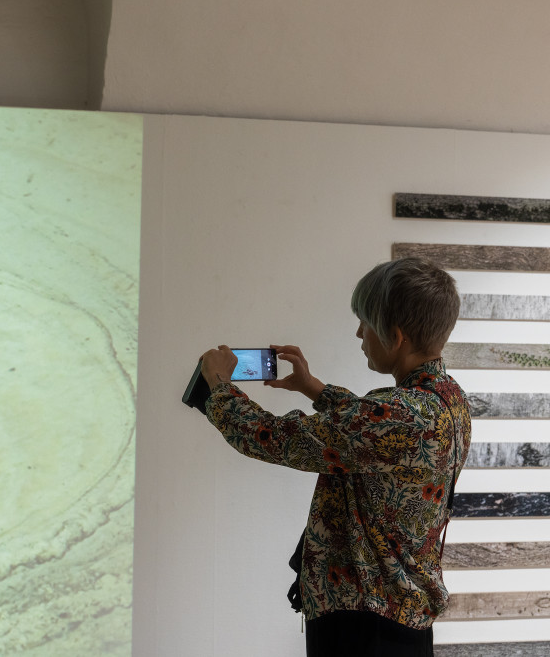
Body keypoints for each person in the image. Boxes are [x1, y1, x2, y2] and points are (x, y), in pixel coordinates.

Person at [199, 257, 471, 657]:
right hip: (399, 622)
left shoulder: (400, 415)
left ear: (396, 336)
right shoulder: (448, 399)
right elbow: (371, 435)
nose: (359, 332)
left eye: (365, 322)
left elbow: (271, 437)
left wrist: (219, 385)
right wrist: (314, 388)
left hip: (363, 628)